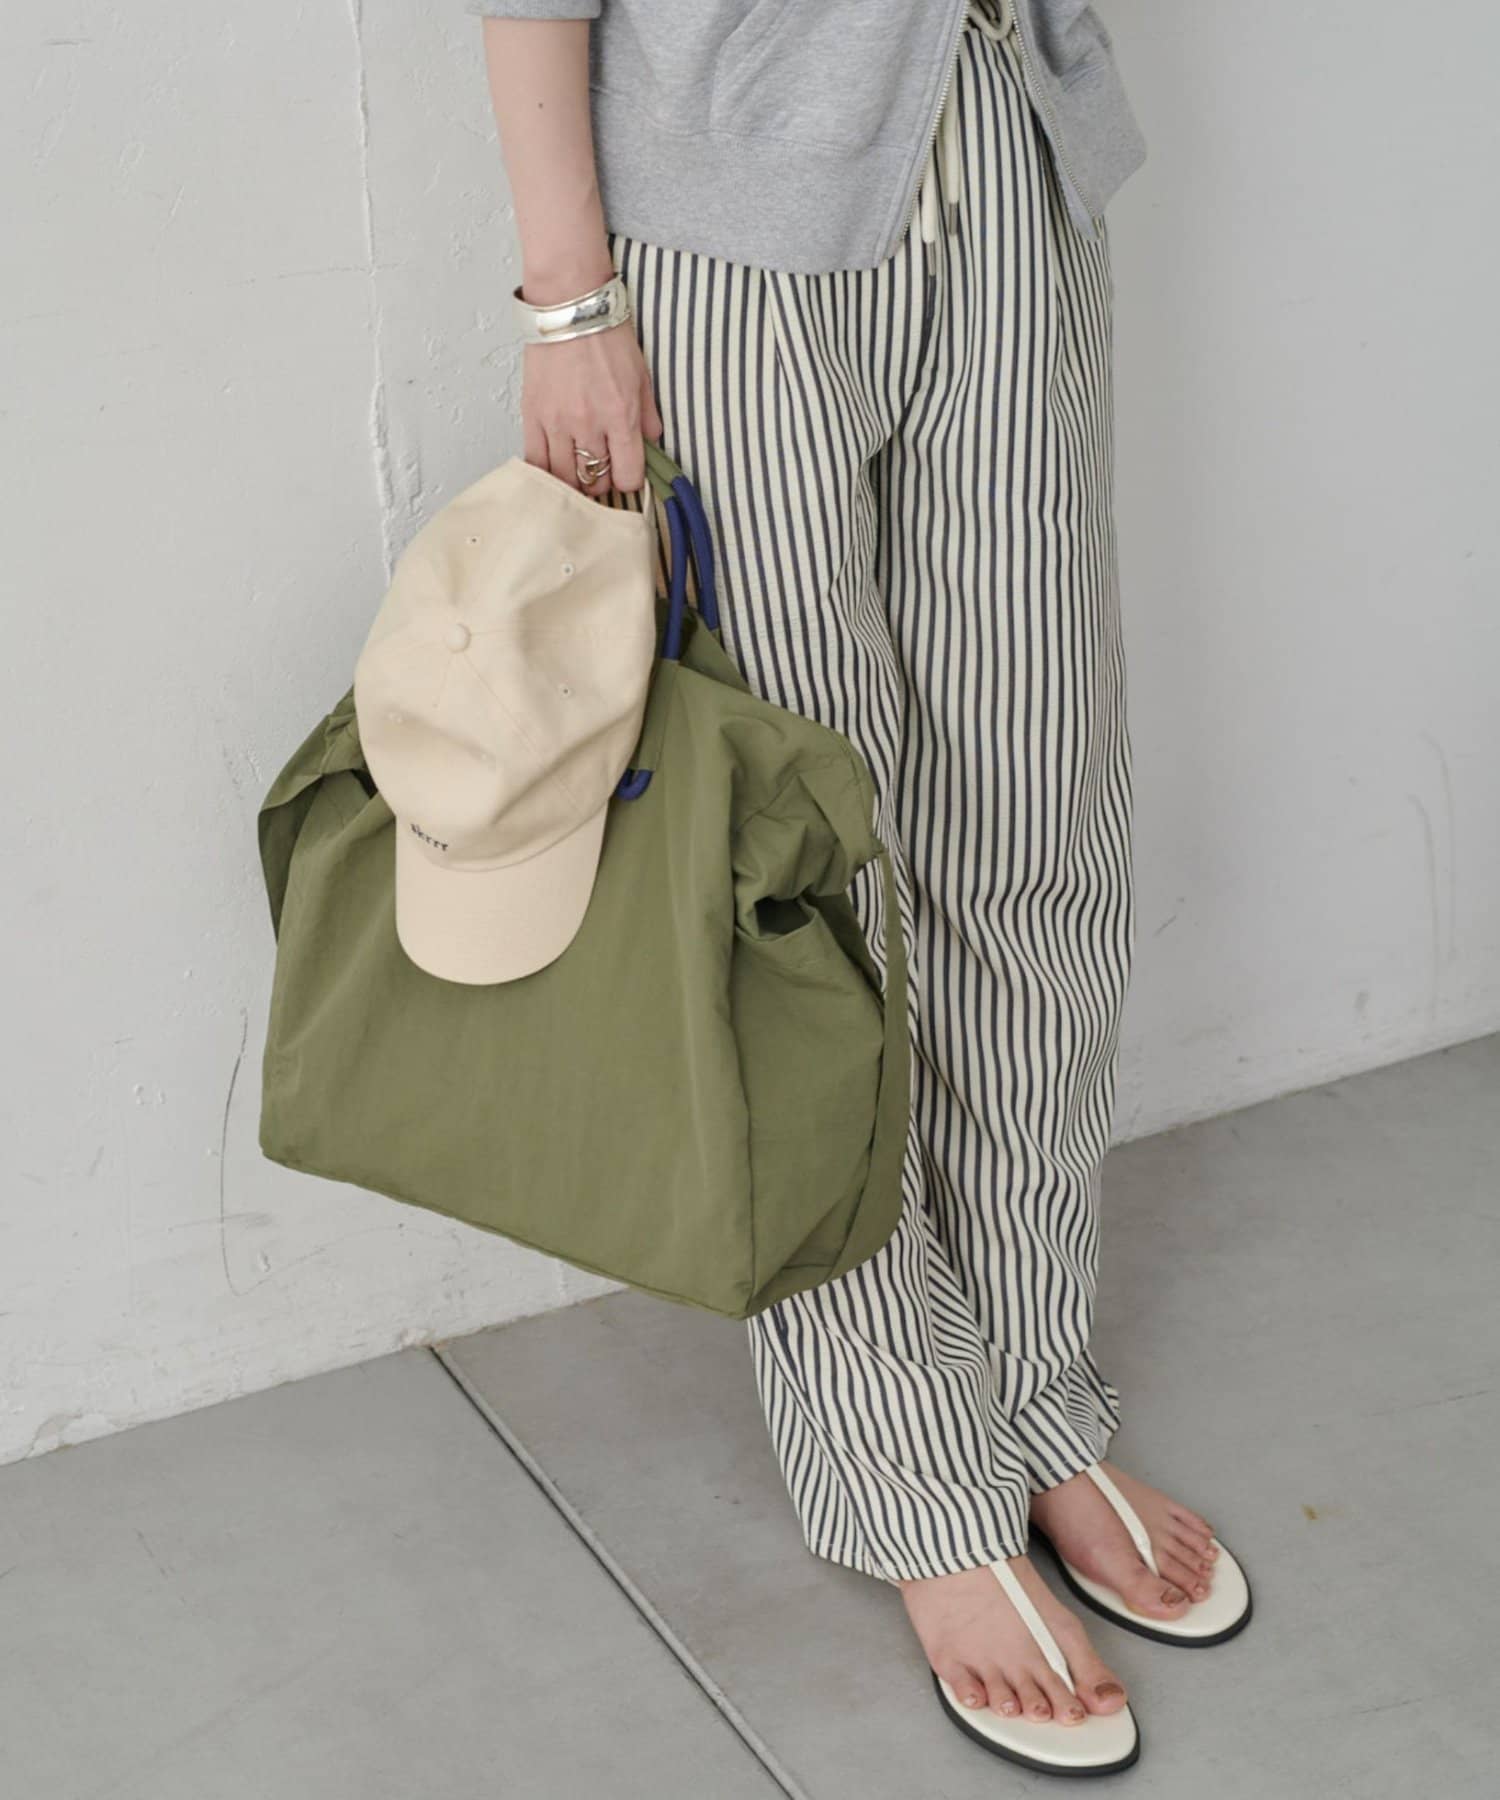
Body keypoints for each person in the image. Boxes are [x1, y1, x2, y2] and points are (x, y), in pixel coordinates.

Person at [475, 0, 1251, 1773]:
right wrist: (569, 303)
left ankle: (1032, 1385)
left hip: (1009, 146)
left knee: (1039, 826)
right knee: (803, 894)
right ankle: (905, 1462)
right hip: (733, 225)